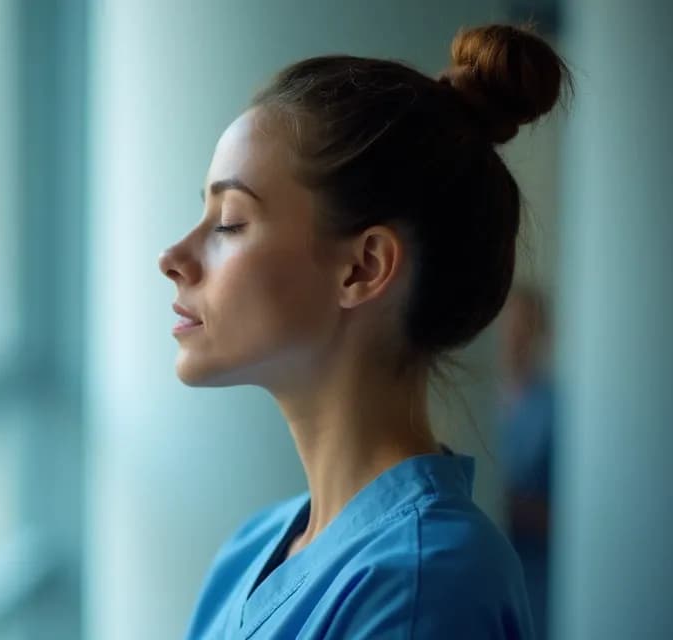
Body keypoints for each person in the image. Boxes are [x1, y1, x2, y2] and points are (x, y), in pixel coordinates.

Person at [169, 25, 568, 638]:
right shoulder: (248, 550)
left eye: (228, 222)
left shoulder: (426, 586)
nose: (172, 257)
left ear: (363, 268)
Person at [499, 287, 556, 638]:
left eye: (523, 328)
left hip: (535, 579)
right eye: (507, 326)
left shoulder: (555, 409)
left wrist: (514, 506)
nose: (513, 338)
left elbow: (572, 516)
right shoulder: (473, 405)